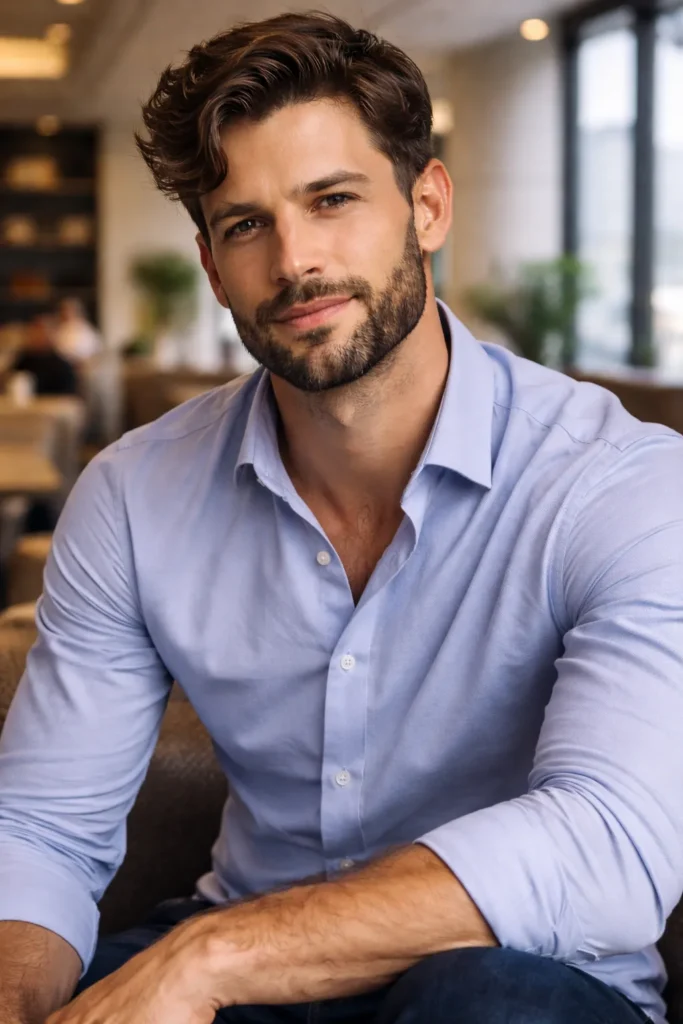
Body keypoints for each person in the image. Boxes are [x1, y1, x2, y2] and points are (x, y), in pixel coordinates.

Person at [0, 12, 681, 1024]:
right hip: (240, 969)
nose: (294, 260)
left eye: (331, 200)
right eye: (246, 224)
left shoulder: (617, 482)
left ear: (427, 205)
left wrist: (211, 956)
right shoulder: (134, 493)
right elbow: (44, 833)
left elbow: (611, 841)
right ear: (211, 264)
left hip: (513, 976)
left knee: (479, 1001)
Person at [11, 314, 79, 397]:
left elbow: (67, 397)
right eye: (35, 331)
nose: (37, 335)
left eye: (42, 331)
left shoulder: (62, 366)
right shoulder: (24, 360)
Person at [54, 298, 102, 364]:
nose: (67, 314)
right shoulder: (60, 329)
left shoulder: (85, 328)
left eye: (70, 311)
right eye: (64, 311)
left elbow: (95, 348)